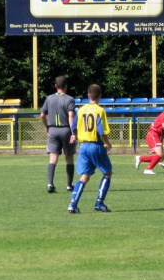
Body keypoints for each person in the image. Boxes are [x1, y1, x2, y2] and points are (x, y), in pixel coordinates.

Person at [67, 84, 113, 214]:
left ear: (88, 95)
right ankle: (99, 202)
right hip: (95, 145)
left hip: (83, 146)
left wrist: (74, 136)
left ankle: (73, 204)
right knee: (107, 173)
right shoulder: (100, 110)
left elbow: (74, 127)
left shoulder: (81, 110)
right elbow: (101, 131)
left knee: (84, 176)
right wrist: (108, 144)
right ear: (100, 96)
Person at [40, 76, 76, 193]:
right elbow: (70, 116)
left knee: (53, 158)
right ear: (66, 86)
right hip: (65, 129)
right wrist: (73, 132)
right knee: (69, 157)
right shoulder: (69, 99)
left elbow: (42, 115)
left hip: (53, 130)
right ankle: (69, 185)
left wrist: (47, 126)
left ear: (56, 86)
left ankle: (50, 184)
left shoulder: (49, 98)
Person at [135, 103, 164, 174]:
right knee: (159, 155)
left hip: (157, 135)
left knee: (160, 158)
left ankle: (140, 158)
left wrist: (161, 143)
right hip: (153, 133)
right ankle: (148, 169)